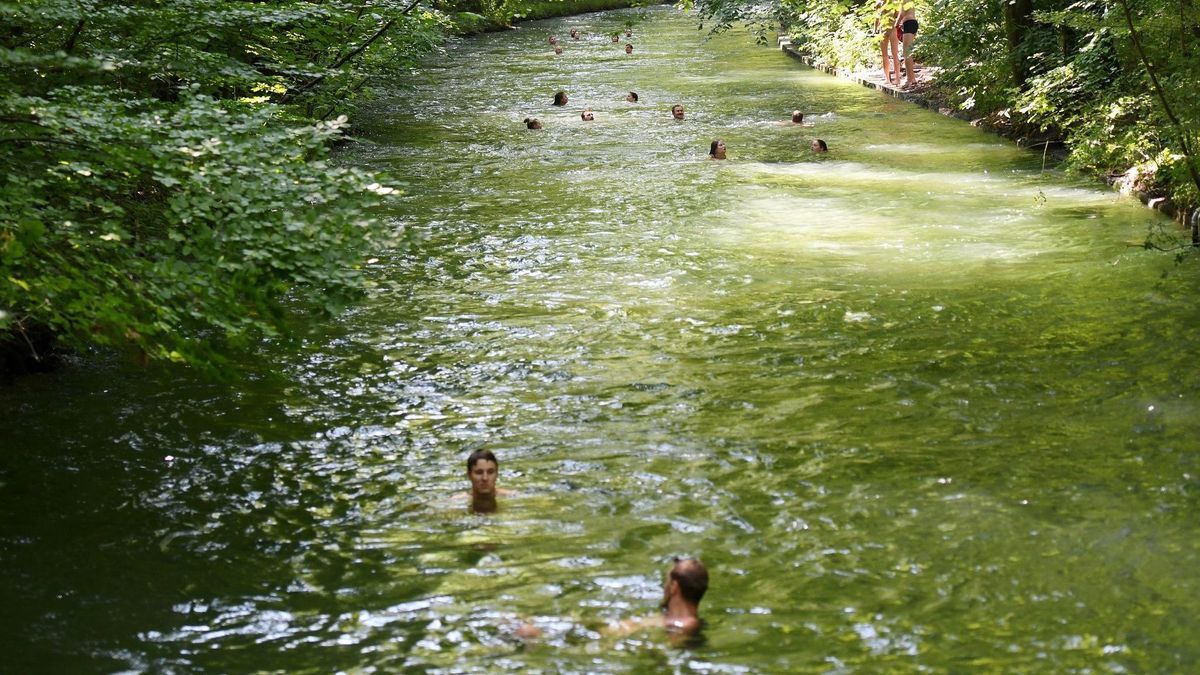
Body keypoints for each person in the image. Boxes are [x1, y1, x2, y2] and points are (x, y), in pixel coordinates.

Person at [605, 558, 708, 642]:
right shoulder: (666, 619)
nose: (664, 587)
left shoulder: (685, 627)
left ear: (674, 587)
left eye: (666, 582)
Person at [466, 449, 513, 513]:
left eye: (490, 472)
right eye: (479, 472)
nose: (485, 478)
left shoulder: (513, 497)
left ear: (497, 474)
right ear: (469, 475)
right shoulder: (456, 502)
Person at [876, 0, 902, 86]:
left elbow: (898, 15)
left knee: (895, 54)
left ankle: (897, 78)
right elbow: (877, 17)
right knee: (884, 55)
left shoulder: (894, 3)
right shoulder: (879, 3)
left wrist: (898, 26)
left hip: (892, 28)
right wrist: (875, 30)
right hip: (882, 29)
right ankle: (887, 78)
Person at [895, 0, 918, 88]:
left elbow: (902, 13)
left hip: (909, 24)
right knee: (907, 52)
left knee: (907, 52)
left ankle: (909, 79)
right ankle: (912, 78)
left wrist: (896, 24)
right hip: (908, 24)